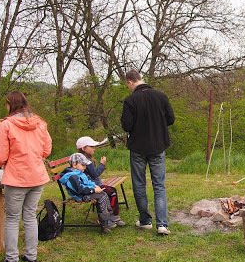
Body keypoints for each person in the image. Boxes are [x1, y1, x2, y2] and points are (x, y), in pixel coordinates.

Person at [0, 91, 52, 262]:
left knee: (12, 218)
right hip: (37, 176)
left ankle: (11, 261)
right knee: (30, 216)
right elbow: (46, 150)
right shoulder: (40, 123)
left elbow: (0, 155)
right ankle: (31, 257)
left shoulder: (6, 125)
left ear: (10, 104)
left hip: (16, 178)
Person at [121, 69, 175, 235]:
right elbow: (171, 119)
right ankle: (162, 225)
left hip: (138, 147)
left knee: (139, 184)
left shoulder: (130, 100)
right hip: (158, 145)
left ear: (130, 82)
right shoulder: (161, 96)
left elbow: (126, 126)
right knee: (159, 185)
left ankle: (145, 221)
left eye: (127, 85)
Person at [58, 153, 124, 233]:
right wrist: (93, 190)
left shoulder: (79, 173)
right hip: (81, 196)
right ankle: (104, 222)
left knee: (104, 194)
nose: (85, 167)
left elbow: (88, 181)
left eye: (86, 165)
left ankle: (108, 217)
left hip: (87, 192)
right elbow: (79, 189)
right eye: (83, 165)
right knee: (101, 197)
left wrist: (95, 186)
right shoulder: (72, 176)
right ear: (74, 164)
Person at [76, 135, 121, 217]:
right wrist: (102, 164)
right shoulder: (85, 161)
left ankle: (111, 214)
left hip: (93, 184)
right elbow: (95, 174)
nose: (94, 148)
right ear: (83, 148)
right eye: (91, 146)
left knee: (110, 191)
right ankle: (114, 215)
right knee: (112, 192)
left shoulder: (83, 158)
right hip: (92, 187)